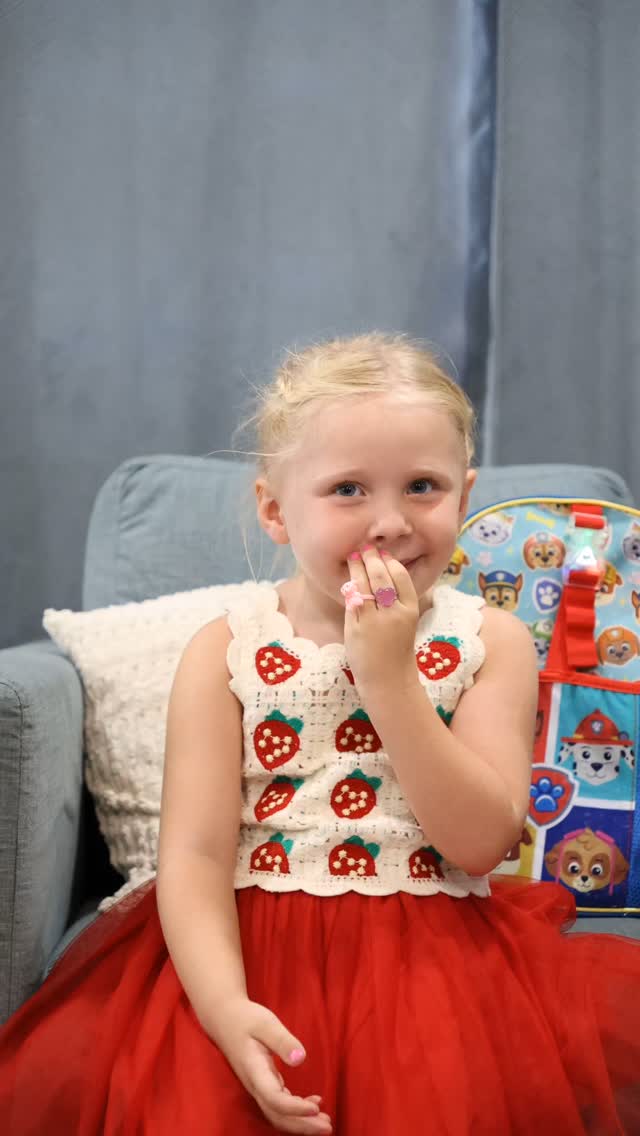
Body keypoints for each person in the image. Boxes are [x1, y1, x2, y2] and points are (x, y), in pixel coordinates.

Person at [1, 332, 639, 1135]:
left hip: (435, 958)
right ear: (275, 508)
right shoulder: (225, 649)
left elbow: (480, 843)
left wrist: (389, 680)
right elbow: (193, 855)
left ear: (464, 498)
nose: (390, 522)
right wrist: (225, 1007)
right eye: (347, 489)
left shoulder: (494, 643)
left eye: (423, 487)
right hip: (250, 951)